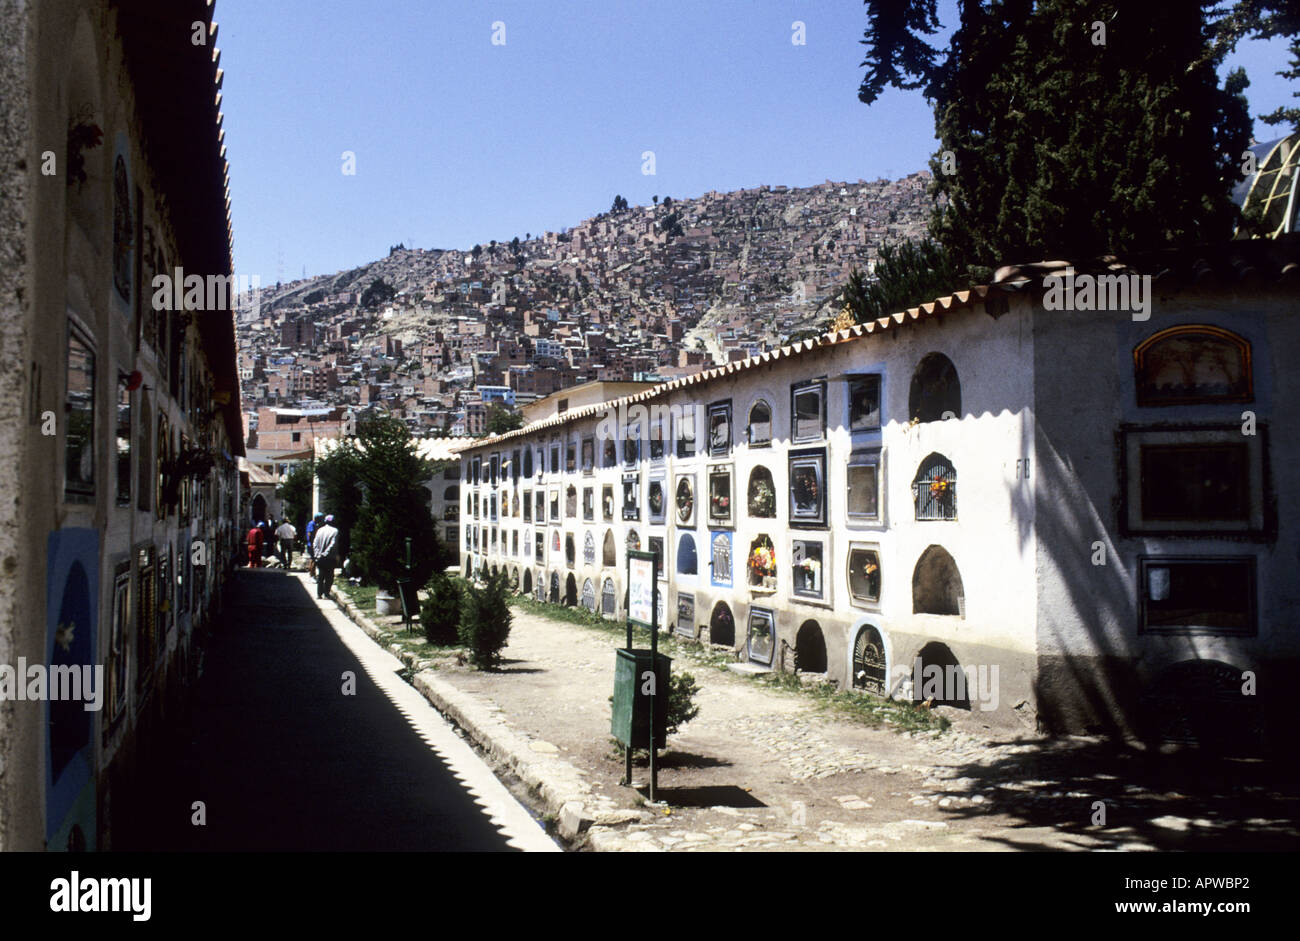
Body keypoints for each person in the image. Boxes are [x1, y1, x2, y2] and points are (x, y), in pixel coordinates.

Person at [312, 514, 340, 599]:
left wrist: (317, 554)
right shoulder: (335, 531)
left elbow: (315, 543)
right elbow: (333, 544)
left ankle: (319, 594)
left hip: (319, 557)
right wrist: (325, 554)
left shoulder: (320, 530)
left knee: (321, 575)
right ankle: (326, 593)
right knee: (329, 576)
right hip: (329, 557)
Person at [305, 513, 323, 577]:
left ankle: (312, 572)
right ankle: (312, 573)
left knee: (313, 559)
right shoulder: (311, 524)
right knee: (314, 559)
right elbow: (309, 534)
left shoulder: (315, 524)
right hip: (311, 544)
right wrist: (312, 543)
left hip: (312, 544)